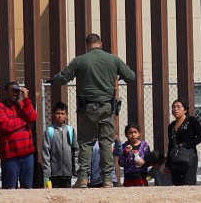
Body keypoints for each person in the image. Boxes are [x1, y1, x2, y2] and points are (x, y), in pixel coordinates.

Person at [49, 33, 136, 188]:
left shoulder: (79, 61)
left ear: (87, 45)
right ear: (100, 43)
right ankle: (108, 179)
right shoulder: (113, 59)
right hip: (107, 108)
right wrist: (114, 78)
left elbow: (63, 78)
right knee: (105, 142)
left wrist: (53, 79)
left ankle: (83, 178)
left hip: (87, 108)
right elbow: (131, 76)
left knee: (85, 143)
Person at [0, 81, 38, 189]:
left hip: (27, 154)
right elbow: (5, 126)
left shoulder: (23, 105)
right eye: (12, 91)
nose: (15, 94)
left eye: (17, 92)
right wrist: (24, 121)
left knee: (27, 187)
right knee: (10, 188)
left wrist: (26, 99)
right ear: (6, 92)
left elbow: (33, 117)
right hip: (10, 155)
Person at [167, 98, 201, 185]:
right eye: (173, 107)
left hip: (189, 156)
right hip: (175, 158)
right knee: (177, 184)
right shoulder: (171, 125)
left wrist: (186, 145)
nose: (175, 109)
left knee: (188, 183)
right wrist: (167, 164)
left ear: (185, 110)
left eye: (178, 107)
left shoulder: (191, 120)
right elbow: (170, 144)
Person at [41, 102, 78, 188]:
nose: (60, 116)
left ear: (66, 115)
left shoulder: (70, 130)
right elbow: (46, 152)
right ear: (53, 115)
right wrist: (47, 172)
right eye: (58, 113)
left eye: (62, 114)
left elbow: (75, 150)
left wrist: (76, 169)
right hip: (54, 174)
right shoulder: (49, 131)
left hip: (67, 173)